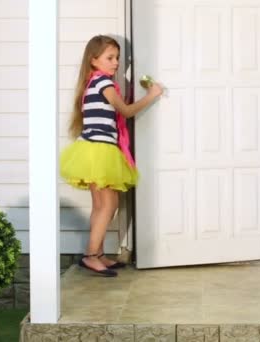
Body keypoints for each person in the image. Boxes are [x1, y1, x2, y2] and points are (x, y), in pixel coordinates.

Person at [60, 35, 163, 277]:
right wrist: (152, 95)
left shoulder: (92, 82)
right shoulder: (103, 83)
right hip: (99, 151)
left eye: (117, 58)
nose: (116, 63)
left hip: (95, 149)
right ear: (94, 60)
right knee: (108, 205)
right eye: (110, 58)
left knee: (103, 205)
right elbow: (125, 111)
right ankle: (91, 256)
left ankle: (96, 253)